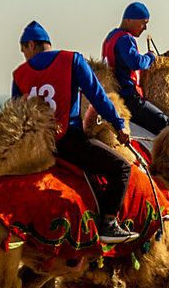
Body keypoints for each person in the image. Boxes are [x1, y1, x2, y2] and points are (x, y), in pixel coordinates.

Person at [14, 20, 138, 243]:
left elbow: (16, 113)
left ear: (30, 44)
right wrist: (118, 124)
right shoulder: (73, 60)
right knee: (121, 168)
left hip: (36, 147)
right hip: (69, 142)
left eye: (23, 50)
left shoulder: (19, 74)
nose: (24, 56)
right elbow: (98, 96)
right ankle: (109, 224)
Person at [102, 2, 169, 136]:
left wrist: (159, 57)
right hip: (129, 99)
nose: (145, 28)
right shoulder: (125, 38)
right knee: (168, 124)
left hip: (117, 96)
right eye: (143, 23)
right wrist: (151, 57)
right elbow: (136, 62)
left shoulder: (110, 37)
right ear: (129, 20)